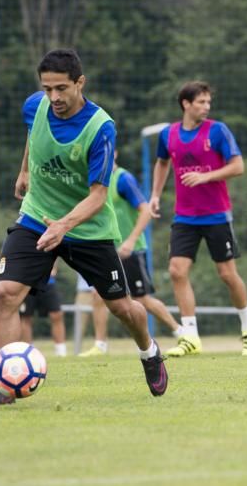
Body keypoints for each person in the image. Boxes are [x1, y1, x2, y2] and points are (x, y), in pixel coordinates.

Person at [0, 49, 167, 405]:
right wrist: (25, 170)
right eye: (47, 89)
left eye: (61, 88)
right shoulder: (35, 106)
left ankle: (150, 351)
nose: (54, 98)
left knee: (123, 308)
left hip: (87, 228)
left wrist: (63, 225)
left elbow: (98, 196)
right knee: (4, 294)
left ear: (80, 83)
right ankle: (6, 387)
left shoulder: (101, 128)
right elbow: (33, 133)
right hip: (36, 217)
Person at [149, 81, 247, 357]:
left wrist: (205, 176)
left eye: (208, 102)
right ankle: (191, 336)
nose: (206, 107)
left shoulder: (218, 131)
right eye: (201, 102)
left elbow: (238, 166)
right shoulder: (168, 134)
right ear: (186, 104)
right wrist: (154, 195)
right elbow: (162, 163)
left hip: (216, 215)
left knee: (226, 274)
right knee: (176, 271)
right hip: (185, 217)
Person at [78, 151, 183, 357]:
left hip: (131, 249)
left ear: (115, 153)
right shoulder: (93, 182)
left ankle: (180, 332)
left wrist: (131, 241)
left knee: (142, 299)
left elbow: (145, 211)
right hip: (108, 249)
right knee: (98, 295)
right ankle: (100, 345)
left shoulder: (123, 179)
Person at [19, 262, 67, 357]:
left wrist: (54, 268)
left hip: (48, 282)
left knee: (57, 315)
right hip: (27, 283)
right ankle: (29, 353)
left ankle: (61, 352)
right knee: (26, 317)